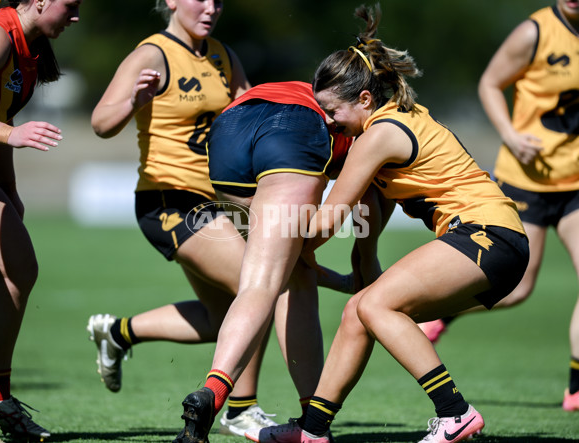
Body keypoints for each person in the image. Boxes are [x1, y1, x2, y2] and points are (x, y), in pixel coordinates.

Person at [245, 4, 531, 443]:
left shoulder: (379, 135)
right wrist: (333, 274)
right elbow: (366, 256)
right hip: (495, 243)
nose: (327, 121)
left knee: (377, 306)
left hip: (486, 235)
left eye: (332, 111)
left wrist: (273, 237)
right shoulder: (386, 131)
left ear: (363, 99)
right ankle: (312, 431)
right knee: (361, 312)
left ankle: (455, 413)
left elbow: (325, 223)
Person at [87, 0, 288, 437]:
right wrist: (134, 101)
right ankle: (241, 408)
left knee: (224, 320)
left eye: (218, 0)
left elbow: (249, 108)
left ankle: (118, 333)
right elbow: (101, 122)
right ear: (172, 1)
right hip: (168, 201)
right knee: (257, 288)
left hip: (214, 202)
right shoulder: (152, 53)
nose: (211, 7)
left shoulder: (223, 55)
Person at [171, 80, 355, 443]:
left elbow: (295, 251)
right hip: (293, 129)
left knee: (285, 274)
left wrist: (336, 276)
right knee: (268, 282)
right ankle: (221, 394)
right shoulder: (364, 122)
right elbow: (353, 208)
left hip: (229, 129)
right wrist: (363, 270)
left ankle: (309, 419)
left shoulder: (313, 90)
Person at [419, 0, 579, 411]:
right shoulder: (535, 33)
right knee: (520, 287)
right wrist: (510, 134)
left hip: (576, 181)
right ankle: (438, 313)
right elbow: (490, 83)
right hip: (527, 178)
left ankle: (576, 388)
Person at [0, 0, 81, 440]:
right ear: (39, 1)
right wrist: (12, 134)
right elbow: (4, 127)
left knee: (18, 269)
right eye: (70, 6)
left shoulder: (28, 50)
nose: (75, 17)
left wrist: (10, 190)